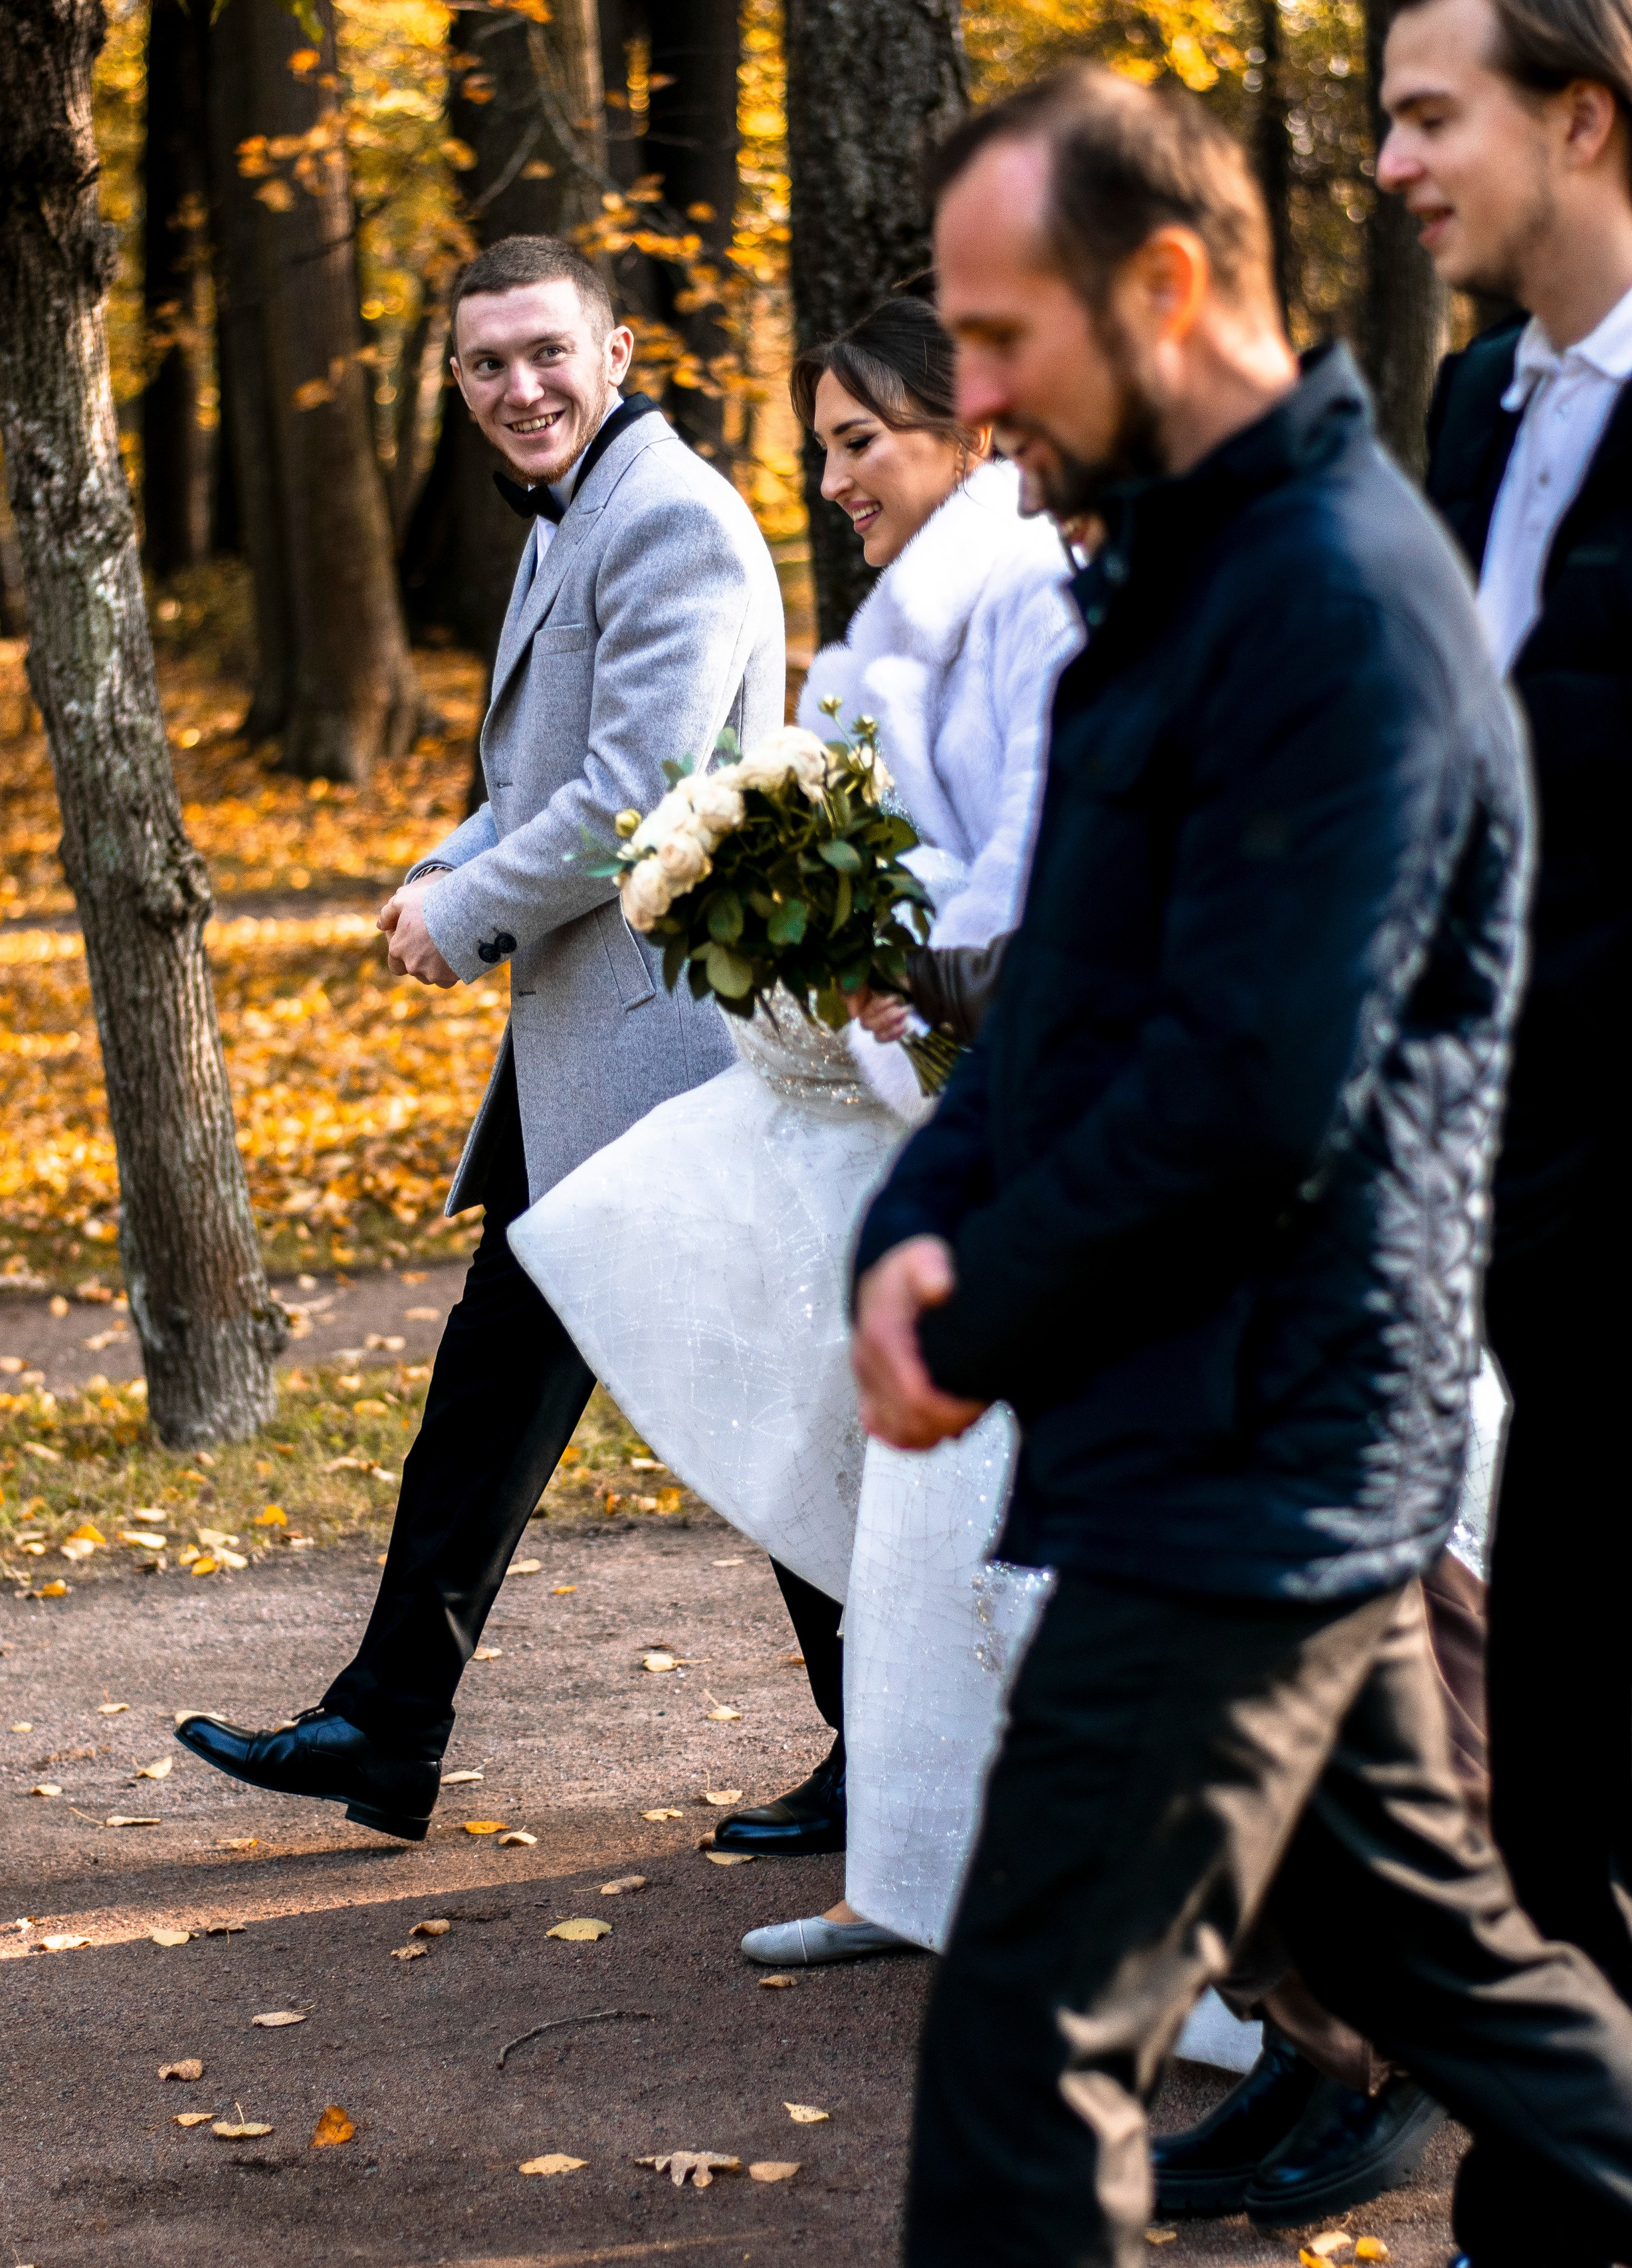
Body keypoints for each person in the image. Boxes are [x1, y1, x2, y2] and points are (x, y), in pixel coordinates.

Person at [851, 65, 1632, 2268]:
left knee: (1026, 2050)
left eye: (1004, 338)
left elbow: (1253, 1090)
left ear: (1171, 286)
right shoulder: (1169, 568)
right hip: (1218, 1426)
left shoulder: (1334, 605)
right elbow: (1066, 992)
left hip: (1257, 1437)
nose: (973, 393)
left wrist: (979, 1304)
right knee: (1463, 1977)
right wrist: (912, 1233)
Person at [175, 235, 785, 1839]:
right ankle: (385, 1729)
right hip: (586, 1056)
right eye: (483, 365)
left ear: (619, 352)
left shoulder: (666, 522)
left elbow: (630, 796)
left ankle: (905, 1751)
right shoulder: (576, 515)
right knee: (497, 1387)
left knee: (771, 1398)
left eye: (544, 353)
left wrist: (464, 915)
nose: (518, 387)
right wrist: (451, 858)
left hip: (671, 1059)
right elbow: (547, 782)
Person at [506, 291, 1076, 1955]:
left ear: (960, 427)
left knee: (983, 1511)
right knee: (904, 1504)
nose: (829, 477)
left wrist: (912, 974)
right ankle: (905, 1869)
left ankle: (1024, 1887)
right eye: (821, 445)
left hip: (1007, 1108)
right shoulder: (916, 600)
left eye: (857, 441)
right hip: (919, 1094)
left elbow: (1027, 854)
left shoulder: (1030, 596)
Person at [1379, 0, 1632, 2008]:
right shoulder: (1476, 404)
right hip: (1511, 1180)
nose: (1392, 164)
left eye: (1427, 118)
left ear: (1583, 115)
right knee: (1547, 1782)